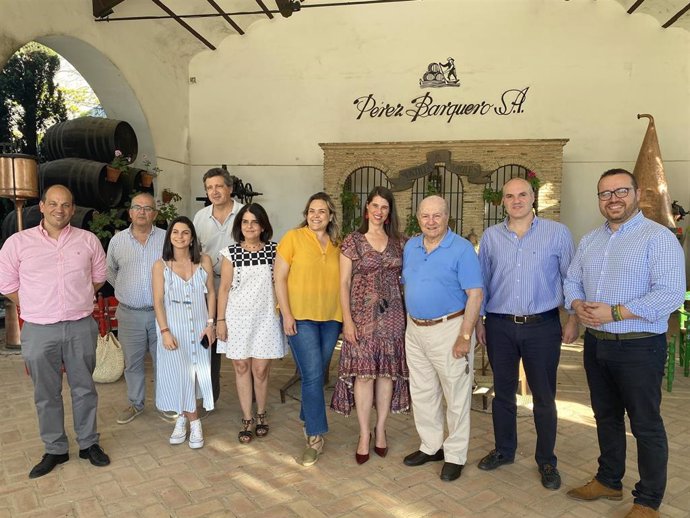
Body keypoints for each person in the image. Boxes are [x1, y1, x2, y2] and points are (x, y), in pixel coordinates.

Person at [564, 169, 685, 518]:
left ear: (636, 193)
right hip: (597, 345)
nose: (613, 198)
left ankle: (647, 501)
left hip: (639, 346)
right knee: (606, 416)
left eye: (620, 191)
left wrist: (615, 312)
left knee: (645, 424)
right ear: (599, 199)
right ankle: (608, 480)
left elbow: (670, 294)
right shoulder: (590, 240)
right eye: (605, 193)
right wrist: (576, 305)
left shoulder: (658, 238)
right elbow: (572, 281)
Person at [0, 185, 110, 478]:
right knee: (46, 393)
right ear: (43, 206)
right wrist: (37, 305)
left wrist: (75, 299)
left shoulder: (88, 241)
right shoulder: (18, 243)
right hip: (38, 329)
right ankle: (56, 449)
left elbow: (98, 278)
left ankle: (88, 444)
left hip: (80, 326)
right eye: (53, 204)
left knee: (84, 388)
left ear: (73, 209)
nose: (59, 210)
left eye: (65, 205)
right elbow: (7, 284)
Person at [474, 177, 578, 490]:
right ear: (502, 202)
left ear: (533, 197)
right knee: (502, 392)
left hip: (543, 326)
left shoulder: (557, 233)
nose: (516, 200)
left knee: (544, 396)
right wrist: (479, 320)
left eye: (522, 195)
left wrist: (573, 318)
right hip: (500, 325)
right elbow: (482, 282)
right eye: (510, 196)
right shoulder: (491, 237)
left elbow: (571, 278)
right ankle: (504, 449)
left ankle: (546, 459)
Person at [401, 195, 483, 482]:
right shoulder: (411, 246)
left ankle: (455, 455)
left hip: (450, 329)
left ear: (447, 216)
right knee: (422, 391)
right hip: (415, 330)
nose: (431, 221)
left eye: (437, 216)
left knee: (456, 395)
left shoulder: (461, 249)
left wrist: (465, 335)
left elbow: (475, 294)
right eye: (425, 216)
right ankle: (431, 446)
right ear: (418, 218)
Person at [330, 186, 409, 464]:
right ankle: (364, 433)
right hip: (361, 320)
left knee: (386, 375)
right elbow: (343, 283)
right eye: (374, 205)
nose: (379, 211)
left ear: (389, 212)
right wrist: (347, 321)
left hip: (393, 319)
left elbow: (410, 279)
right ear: (367, 209)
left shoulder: (400, 242)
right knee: (363, 376)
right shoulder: (352, 241)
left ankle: (381, 429)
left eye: (384, 207)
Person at [275, 192, 343, 467]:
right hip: (300, 318)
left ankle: (308, 415)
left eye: (322, 212)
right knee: (313, 375)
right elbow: (279, 278)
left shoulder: (339, 244)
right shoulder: (292, 237)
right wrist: (286, 314)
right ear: (306, 213)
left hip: (331, 318)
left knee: (316, 374)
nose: (316, 216)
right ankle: (315, 436)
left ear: (330, 216)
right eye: (312, 211)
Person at [216, 203, 287, 444]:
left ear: (263, 225)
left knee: (260, 369)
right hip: (237, 319)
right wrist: (220, 321)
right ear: (240, 226)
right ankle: (247, 417)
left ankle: (261, 412)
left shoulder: (275, 251)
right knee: (241, 367)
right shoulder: (230, 253)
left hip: (266, 318)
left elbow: (281, 284)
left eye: (254, 222)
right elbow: (223, 289)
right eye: (245, 222)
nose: (249, 226)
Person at [152, 216, 216, 449]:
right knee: (179, 374)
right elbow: (158, 301)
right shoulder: (161, 265)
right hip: (173, 328)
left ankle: (182, 419)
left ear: (192, 238)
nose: (180, 237)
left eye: (185, 232)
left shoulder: (204, 261)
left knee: (196, 375)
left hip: (199, 328)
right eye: (175, 232)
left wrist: (211, 324)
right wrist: (165, 331)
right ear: (170, 237)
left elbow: (211, 293)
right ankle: (194, 422)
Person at [107, 192, 167, 424]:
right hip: (129, 313)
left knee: (163, 359)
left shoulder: (166, 238)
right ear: (130, 212)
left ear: (155, 214)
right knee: (132, 362)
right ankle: (135, 403)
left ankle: (166, 402)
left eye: (147, 208)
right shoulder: (117, 241)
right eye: (137, 207)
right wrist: (127, 290)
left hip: (160, 313)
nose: (142, 212)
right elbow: (110, 271)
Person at [193, 167, 244, 407]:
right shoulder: (200, 217)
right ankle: (209, 397)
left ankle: (249, 397)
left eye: (219, 186)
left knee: (242, 343)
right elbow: (194, 253)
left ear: (230, 188)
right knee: (209, 341)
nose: (214, 191)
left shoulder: (245, 213)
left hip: (241, 287)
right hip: (208, 285)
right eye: (209, 187)